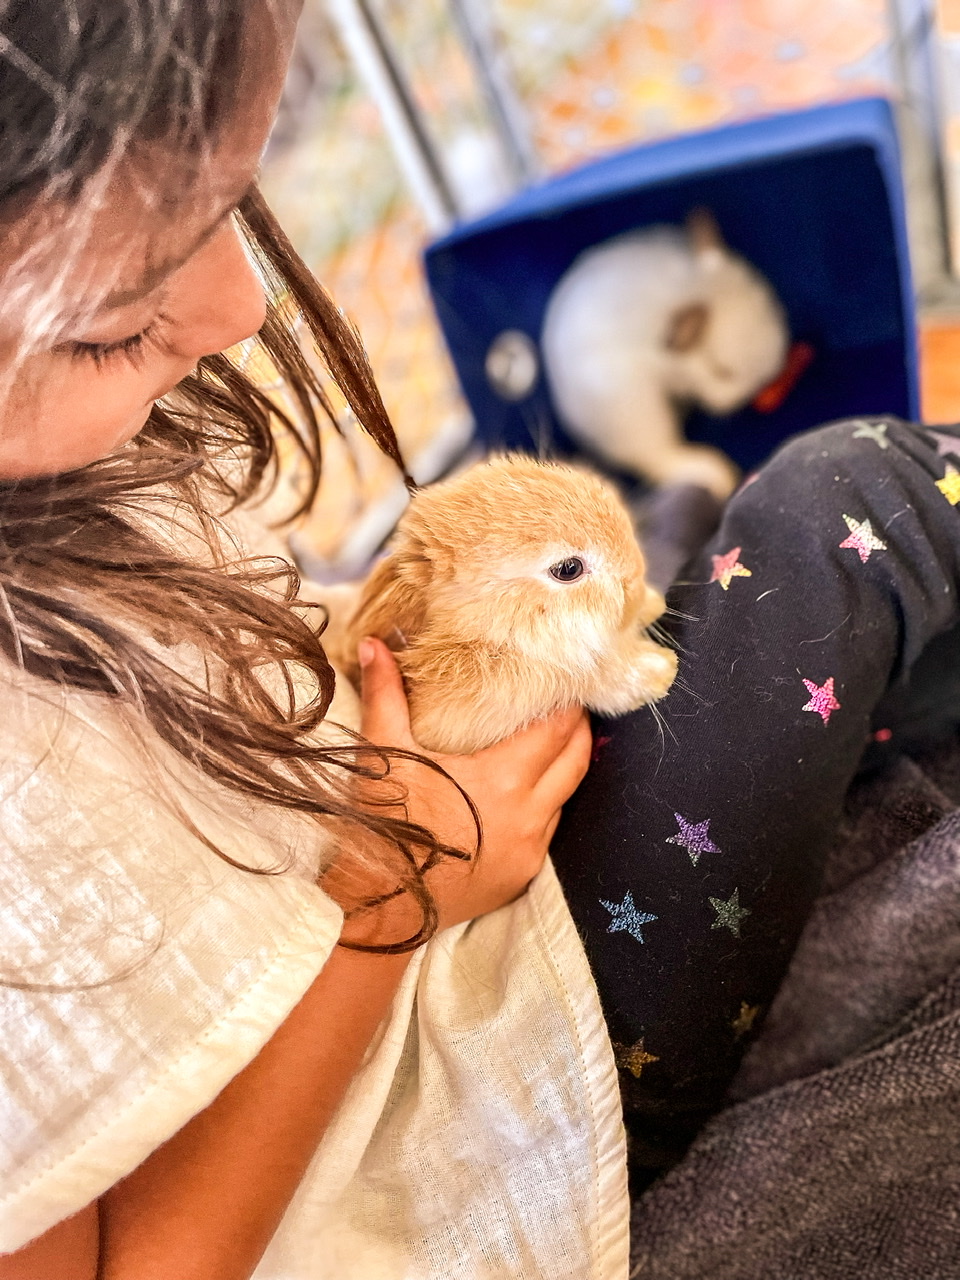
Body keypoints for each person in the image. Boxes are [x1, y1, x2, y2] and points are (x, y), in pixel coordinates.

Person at [3, 4, 960, 1278]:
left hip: (462, 893)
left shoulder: (70, 471)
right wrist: (393, 894)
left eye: (237, 204)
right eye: (110, 319)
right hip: (474, 1077)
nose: (241, 308)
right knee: (855, 502)